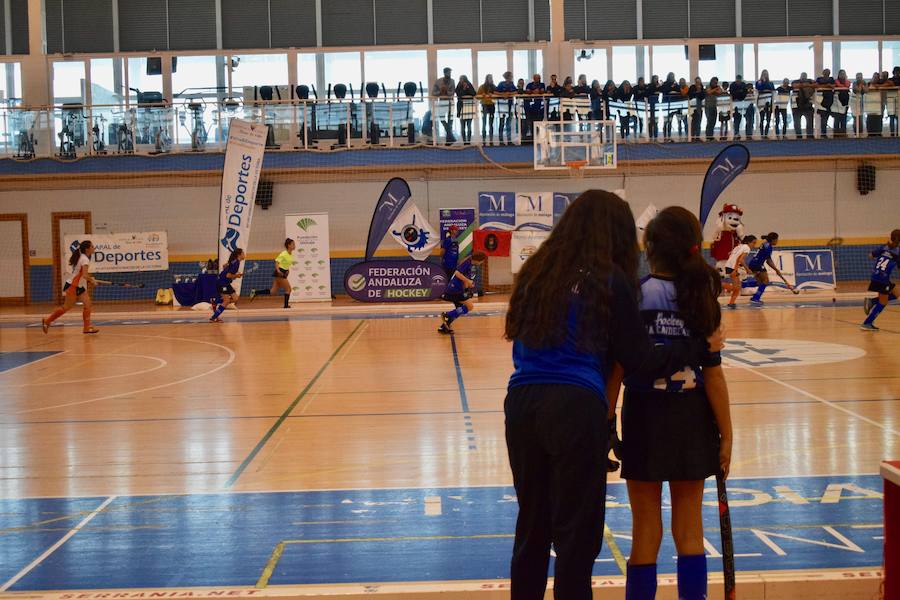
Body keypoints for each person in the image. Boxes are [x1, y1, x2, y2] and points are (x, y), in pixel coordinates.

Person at [504, 190, 724, 600]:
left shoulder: (536, 270)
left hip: (522, 404)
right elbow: (638, 359)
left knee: (531, 528)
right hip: (575, 406)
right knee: (576, 534)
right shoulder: (609, 279)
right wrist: (696, 348)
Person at [606, 206, 732, 600]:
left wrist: (606, 422)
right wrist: (727, 434)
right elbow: (714, 373)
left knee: (645, 530)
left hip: (644, 415)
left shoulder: (636, 296)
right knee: (690, 530)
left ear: (650, 248)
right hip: (692, 418)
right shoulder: (701, 299)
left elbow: (616, 369)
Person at [42, 240, 100, 334]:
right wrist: (92, 280)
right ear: (87, 249)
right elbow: (85, 275)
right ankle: (47, 321)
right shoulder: (85, 259)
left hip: (79, 285)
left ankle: (86, 328)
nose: (94, 248)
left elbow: (83, 274)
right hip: (73, 285)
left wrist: (90, 278)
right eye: (92, 246)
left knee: (88, 304)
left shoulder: (84, 257)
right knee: (66, 307)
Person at [861, 229, 900, 331]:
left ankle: (872, 301)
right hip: (882, 278)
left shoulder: (884, 247)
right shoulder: (898, 251)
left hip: (877, 275)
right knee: (883, 302)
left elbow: (870, 255)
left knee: (897, 293)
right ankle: (867, 323)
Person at [438, 251, 487, 334]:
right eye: (482, 261)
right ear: (479, 260)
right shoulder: (467, 263)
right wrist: (468, 281)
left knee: (459, 310)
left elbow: (464, 279)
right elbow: (457, 273)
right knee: (469, 306)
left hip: (459, 289)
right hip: (455, 288)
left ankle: (444, 327)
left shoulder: (472, 265)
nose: (482, 263)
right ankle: (447, 315)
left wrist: (467, 289)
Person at [747, 232, 792, 305]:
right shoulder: (768, 247)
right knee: (766, 281)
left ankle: (745, 287)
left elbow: (768, 259)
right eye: (777, 239)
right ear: (773, 240)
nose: (777, 241)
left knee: (760, 282)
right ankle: (755, 298)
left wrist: (776, 269)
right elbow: (768, 261)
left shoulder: (765, 244)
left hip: (754, 263)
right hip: (757, 264)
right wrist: (776, 270)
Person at [250, 238, 295, 308]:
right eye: (293, 244)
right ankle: (286, 306)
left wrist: (288, 270)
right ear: (289, 245)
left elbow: (285, 264)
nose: (294, 245)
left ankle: (255, 292)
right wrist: (278, 271)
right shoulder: (284, 253)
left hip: (283, 273)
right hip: (280, 273)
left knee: (273, 292)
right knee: (288, 289)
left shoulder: (290, 254)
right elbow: (277, 262)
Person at [210, 247, 245, 322]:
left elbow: (224, 266)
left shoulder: (233, 261)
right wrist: (236, 276)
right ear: (239, 255)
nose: (244, 255)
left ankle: (216, 301)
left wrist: (234, 274)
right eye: (243, 253)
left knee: (235, 298)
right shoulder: (236, 263)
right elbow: (228, 275)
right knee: (226, 301)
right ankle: (213, 317)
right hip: (222, 283)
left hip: (225, 282)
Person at [724, 235, 756, 309]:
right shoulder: (747, 248)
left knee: (737, 288)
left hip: (729, 265)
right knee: (736, 288)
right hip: (733, 267)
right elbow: (740, 259)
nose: (754, 245)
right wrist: (747, 269)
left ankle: (731, 303)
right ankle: (720, 286)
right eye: (753, 243)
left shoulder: (739, 246)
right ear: (748, 242)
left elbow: (731, 255)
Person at [432, 67, 456, 143]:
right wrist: (440, 92)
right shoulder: (438, 81)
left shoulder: (452, 81)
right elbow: (433, 93)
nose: (449, 74)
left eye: (450, 72)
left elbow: (452, 93)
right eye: (448, 72)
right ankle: (450, 136)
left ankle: (448, 141)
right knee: (442, 118)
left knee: (450, 120)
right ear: (444, 73)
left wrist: (446, 91)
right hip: (442, 102)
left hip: (450, 103)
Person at [792, 73, 816, 139]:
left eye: (805, 76)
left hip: (808, 104)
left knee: (809, 121)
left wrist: (807, 84)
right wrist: (806, 85)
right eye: (803, 76)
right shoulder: (795, 81)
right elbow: (794, 86)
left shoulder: (810, 81)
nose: (804, 77)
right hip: (797, 105)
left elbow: (816, 85)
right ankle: (798, 135)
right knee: (797, 122)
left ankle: (810, 135)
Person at [497, 71, 517, 145]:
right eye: (511, 76)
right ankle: (501, 141)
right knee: (501, 123)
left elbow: (516, 91)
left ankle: (509, 140)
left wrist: (509, 94)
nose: (511, 77)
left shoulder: (512, 84)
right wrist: (503, 94)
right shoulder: (501, 83)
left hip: (510, 105)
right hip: (502, 106)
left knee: (508, 124)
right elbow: (495, 92)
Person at [524, 74, 546, 141]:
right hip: (531, 107)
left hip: (539, 107)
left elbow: (542, 91)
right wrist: (534, 91)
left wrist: (537, 91)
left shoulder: (542, 84)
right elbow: (527, 91)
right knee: (531, 122)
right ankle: (532, 138)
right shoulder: (529, 84)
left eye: (539, 78)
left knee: (539, 122)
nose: (538, 79)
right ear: (534, 78)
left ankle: (539, 137)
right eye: (537, 78)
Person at [456, 75, 477, 145]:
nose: (461, 81)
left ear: (465, 79)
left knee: (469, 125)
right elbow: (459, 94)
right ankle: (464, 141)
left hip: (469, 107)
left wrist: (467, 87)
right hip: (461, 107)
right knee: (462, 126)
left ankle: (469, 141)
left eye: (462, 79)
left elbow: (474, 93)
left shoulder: (469, 84)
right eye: (460, 79)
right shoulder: (458, 86)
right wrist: (464, 89)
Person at [478, 74, 497, 145]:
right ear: (486, 79)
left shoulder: (494, 86)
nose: (490, 79)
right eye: (489, 78)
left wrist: (493, 95)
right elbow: (477, 96)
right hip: (484, 105)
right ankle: (484, 140)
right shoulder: (482, 87)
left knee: (491, 123)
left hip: (492, 105)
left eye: (491, 78)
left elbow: (498, 94)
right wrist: (482, 95)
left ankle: (491, 140)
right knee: (484, 123)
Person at [816, 68, 836, 136]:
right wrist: (827, 86)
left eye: (828, 72)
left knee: (827, 116)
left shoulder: (831, 79)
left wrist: (829, 86)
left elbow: (833, 86)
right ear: (823, 73)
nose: (826, 73)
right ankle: (823, 133)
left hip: (829, 100)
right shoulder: (819, 79)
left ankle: (826, 133)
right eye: (825, 72)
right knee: (823, 117)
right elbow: (816, 86)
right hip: (821, 100)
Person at [756, 69, 775, 137]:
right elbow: (759, 88)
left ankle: (766, 134)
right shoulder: (758, 82)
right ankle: (761, 134)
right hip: (761, 102)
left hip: (769, 101)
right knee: (762, 118)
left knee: (768, 119)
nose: (765, 75)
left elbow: (772, 89)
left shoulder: (770, 82)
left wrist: (766, 83)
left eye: (766, 74)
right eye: (763, 74)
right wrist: (763, 82)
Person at [833, 69, 851, 137]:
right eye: (841, 74)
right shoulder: (836, 81)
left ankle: (843, 133)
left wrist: (843, 87)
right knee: (837, 118)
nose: (842, 75)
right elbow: (838, 85)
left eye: (844, 73)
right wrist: (843, 87)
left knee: (844, 118)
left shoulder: (847, 81)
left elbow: (847, 85)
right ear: (839, 75)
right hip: (837, 102)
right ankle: (836, 134)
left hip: (845, 102)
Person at [688, 77, 705, 141]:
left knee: (699, 121)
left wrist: (700, 91)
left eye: (699, 82)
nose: (698, 83)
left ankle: (697, 136)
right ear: (695, 82)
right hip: (693, 106)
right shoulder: (692, 87)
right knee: (694, 122)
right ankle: (692, 136)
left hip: (699, 106)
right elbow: (690, 95)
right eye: (697, 82)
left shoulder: (701, 87)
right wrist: (697, 91)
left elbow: (703, 96)